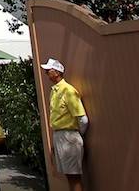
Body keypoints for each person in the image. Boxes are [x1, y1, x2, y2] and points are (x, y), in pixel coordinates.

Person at [41, 58, 88, 191]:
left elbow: (83, 119)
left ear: (57, 72)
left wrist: (76, 134)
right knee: (69, 176)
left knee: (74, 177)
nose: (46, 73)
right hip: (60, 135)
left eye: (48, 70)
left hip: (69, 135)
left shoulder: (68, 90)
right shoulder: (55, 91)